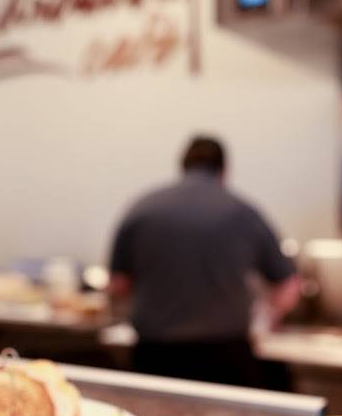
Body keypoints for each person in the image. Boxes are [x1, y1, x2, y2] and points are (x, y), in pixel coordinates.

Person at [108, 135, 301, 386]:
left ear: (182, 166)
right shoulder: (242, 211)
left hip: (155, 356)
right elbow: (289, 287)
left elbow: (118, 284)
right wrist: (265, 320)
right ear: (224, 171)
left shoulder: (142, 209)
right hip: (226, 356)